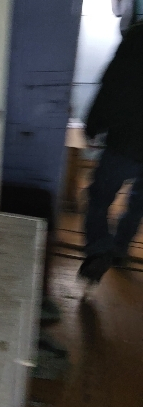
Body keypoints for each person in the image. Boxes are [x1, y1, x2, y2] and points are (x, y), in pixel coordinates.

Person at [79, 21, 143, 285]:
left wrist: (93, 124)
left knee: (99, 198)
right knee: (138, 204)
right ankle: (119, 250)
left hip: (125, 141)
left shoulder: (138, 36)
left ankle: (99, 249)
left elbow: (112, 84)